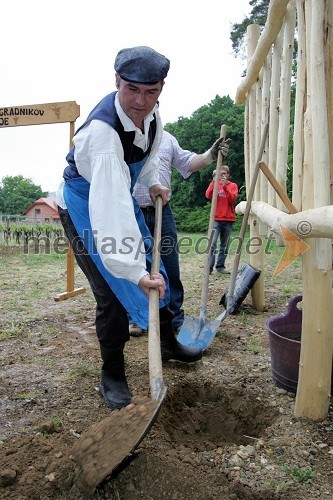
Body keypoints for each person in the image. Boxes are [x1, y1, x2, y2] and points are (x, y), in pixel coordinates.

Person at [56, 46, 203, 411]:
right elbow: (111, 212)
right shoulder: (103, 136)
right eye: (132, 90)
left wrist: (153, 179)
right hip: (83, 204)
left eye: (151, 91)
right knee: (112, 289)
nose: (141, 101)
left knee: (159, 270)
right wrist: (133, 271)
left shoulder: (151, 116)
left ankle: (167, 343)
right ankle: (112, 375)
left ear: (161, 88)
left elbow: (148, 156)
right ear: (117, 81)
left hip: (117, 194)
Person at [129, 130, 230, 336]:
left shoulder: (166, 138)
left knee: (170, 265)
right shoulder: (125, 136)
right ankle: (137, 318)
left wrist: (210, 155)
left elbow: (187, 161)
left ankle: (173, 316)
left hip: (162, 210)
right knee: (136, 265)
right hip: (132, 211)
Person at [205, 165, 238, 274]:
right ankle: (209, 268)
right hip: (216, 219)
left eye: (224, 174)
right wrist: (213, 181)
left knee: (224, 245)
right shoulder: (214, 184)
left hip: (228, 219)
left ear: (228, 175)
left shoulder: (232, 185)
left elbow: (232, 199)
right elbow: (208, 195)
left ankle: (220, 267)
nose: (222, 175)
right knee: (212, 243)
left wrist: (224, 187)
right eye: (220, 173)